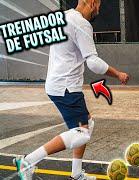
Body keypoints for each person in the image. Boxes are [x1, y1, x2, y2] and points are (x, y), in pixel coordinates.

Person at [13, 0, 129, 179]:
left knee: (86, 126)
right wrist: (118, 74)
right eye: (98, 4)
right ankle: (28, 161)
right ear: (91, 2)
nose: (98, 9)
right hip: (66, 87)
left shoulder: (65, 17)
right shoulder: (81, 23)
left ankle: (76, 174)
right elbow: (93, 62)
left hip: (60, 84)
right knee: (82, 134)